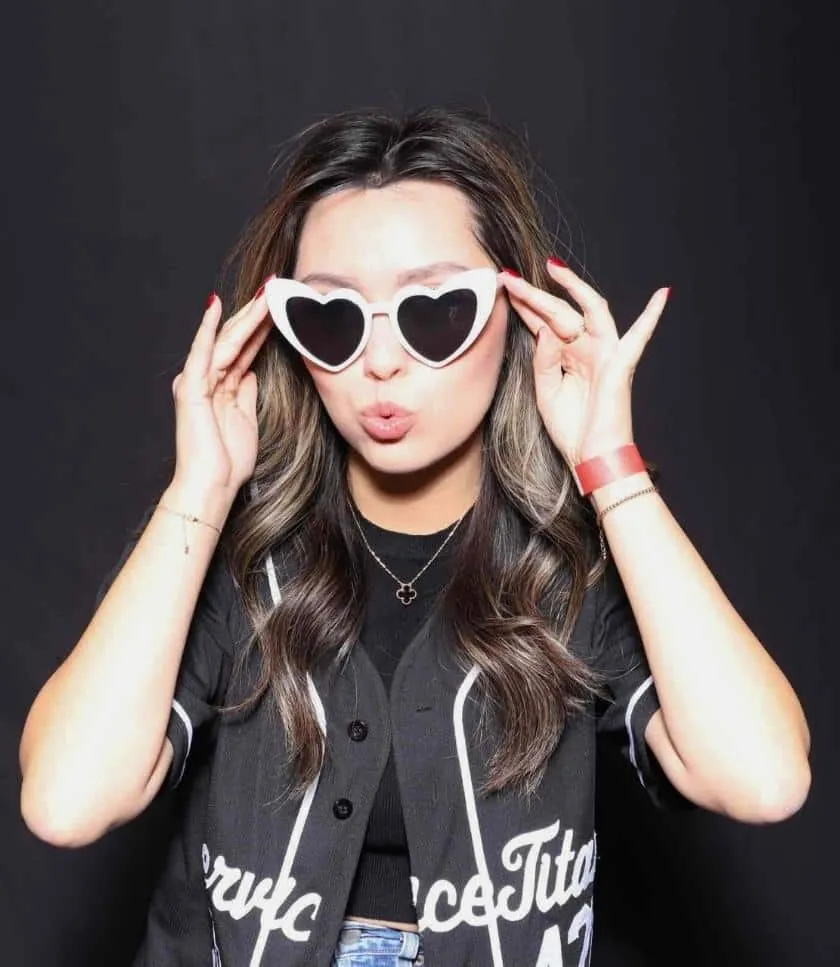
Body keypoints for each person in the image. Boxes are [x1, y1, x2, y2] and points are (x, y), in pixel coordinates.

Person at [19, 106, 811, 967]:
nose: (381, 362)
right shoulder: (235, 560)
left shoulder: (576, 569)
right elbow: (65, 802)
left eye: (433, 310)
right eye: (332, 316)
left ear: (517, 310)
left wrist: (610, 468)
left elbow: (763, 779)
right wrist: (199, 488)